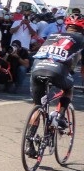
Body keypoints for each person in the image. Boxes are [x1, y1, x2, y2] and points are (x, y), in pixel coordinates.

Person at [28, 15, 84, 145]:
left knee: (37, 106)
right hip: (57, 70)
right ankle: (60, 116)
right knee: (68, 89)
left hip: (37, 68)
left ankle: (29, 142)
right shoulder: (81, 39)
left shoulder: (53, 35)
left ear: (67, 27)